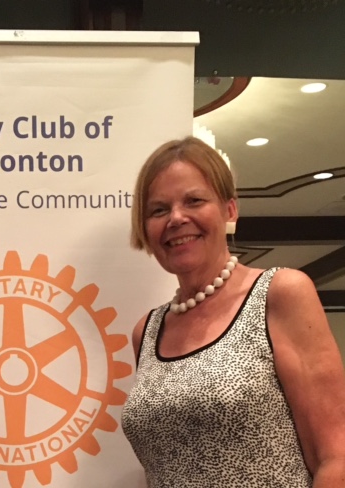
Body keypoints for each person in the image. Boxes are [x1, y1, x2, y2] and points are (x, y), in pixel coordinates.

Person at [122, 136, 345, 487]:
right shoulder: (147, 332)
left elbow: (335, 456)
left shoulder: (279, 294)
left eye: (194, 200)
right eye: (159, 210)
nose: (176, 218)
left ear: (230, 210)